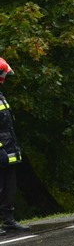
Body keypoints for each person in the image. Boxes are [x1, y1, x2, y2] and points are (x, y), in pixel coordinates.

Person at [0, 58, 29, 235]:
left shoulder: (1, 96)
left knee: (9, 186)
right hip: (2, 150)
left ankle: (8, 220)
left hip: (8, 150)